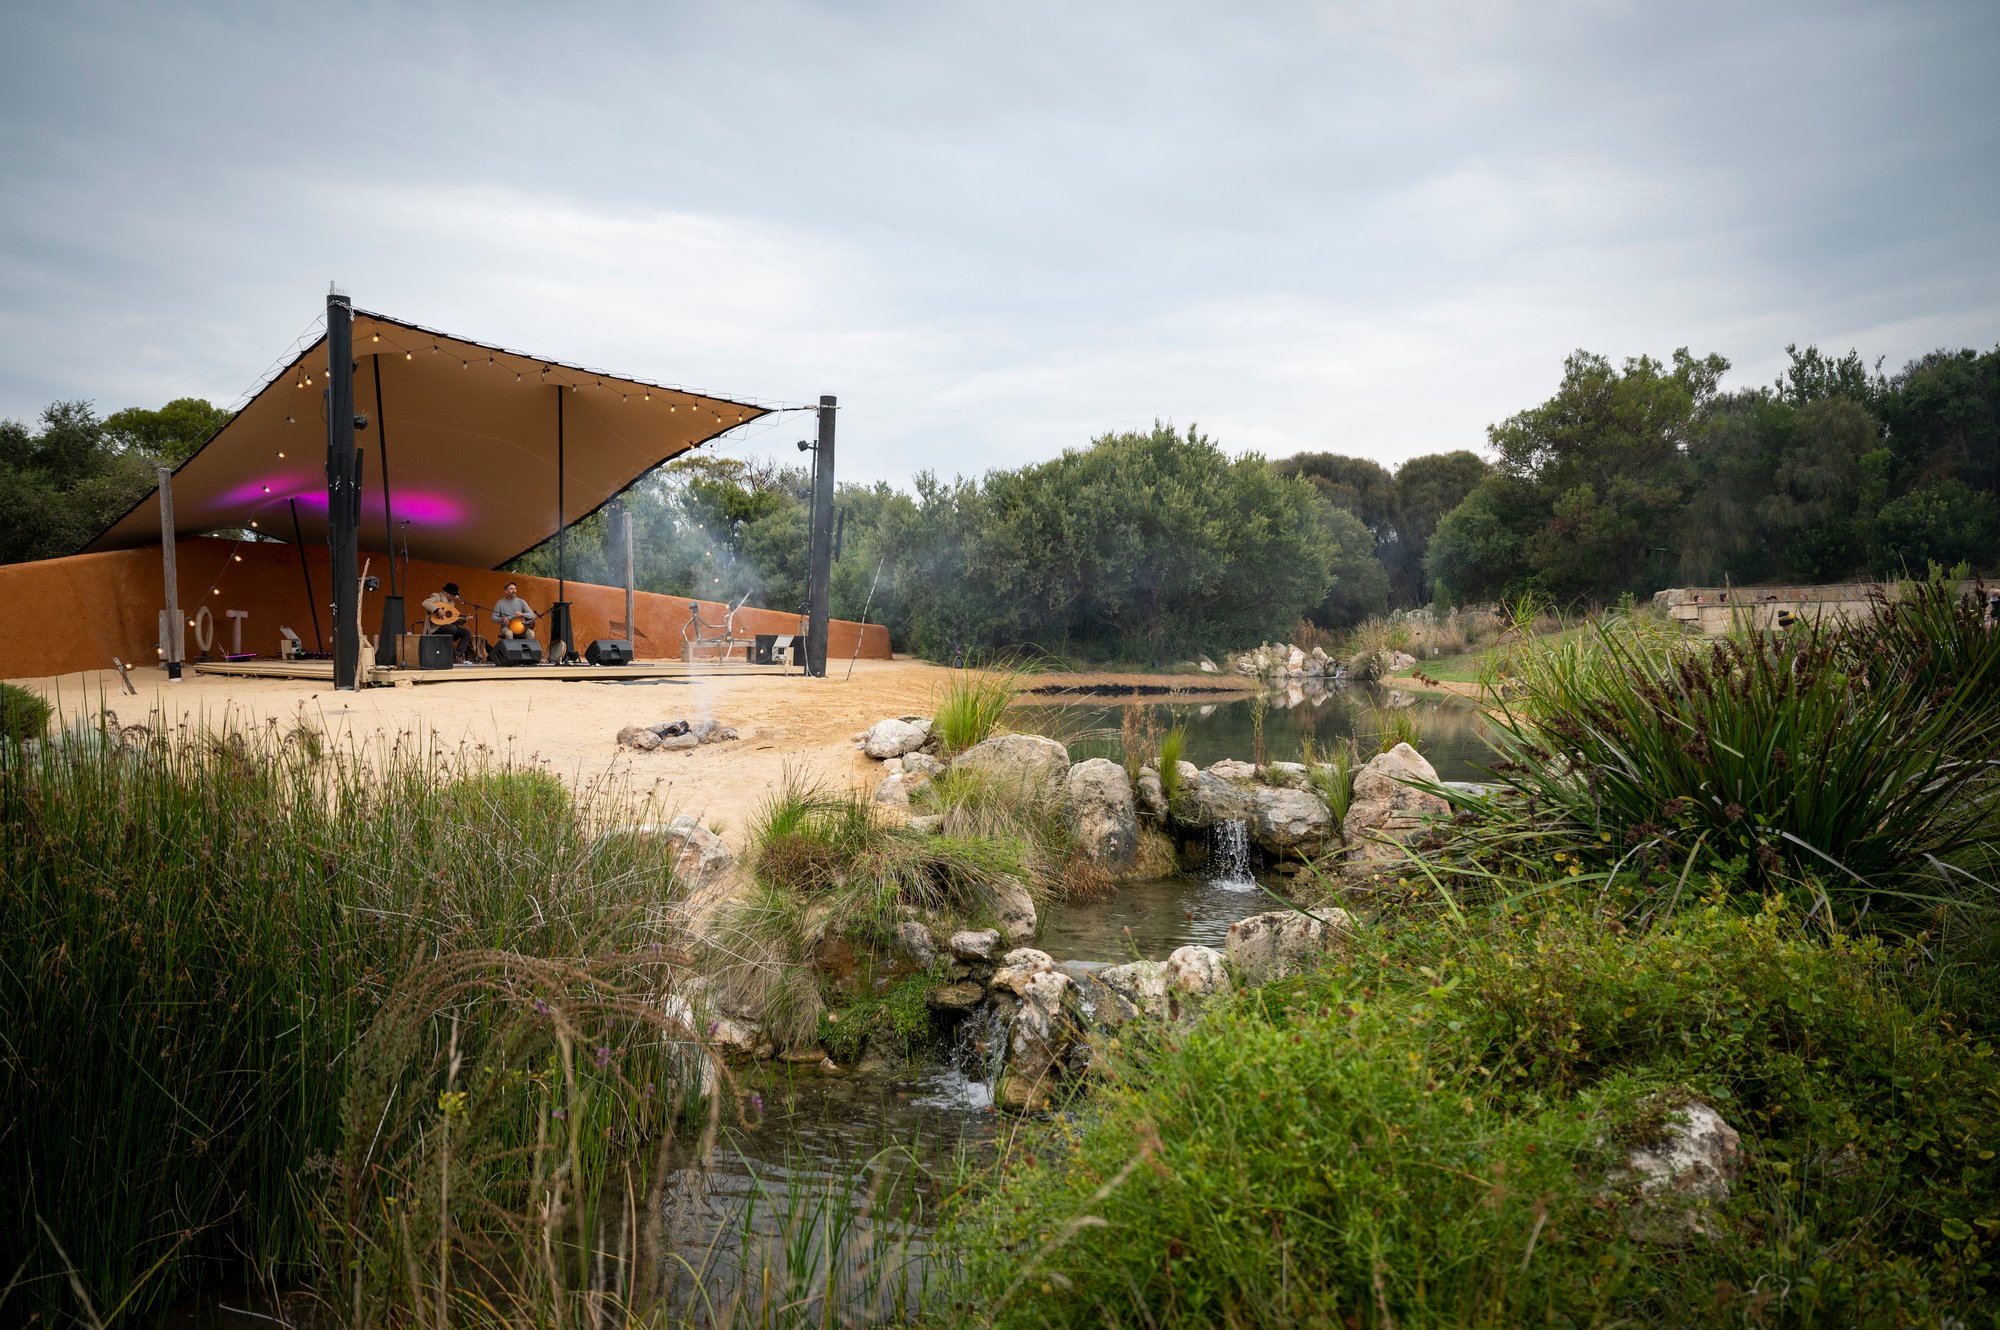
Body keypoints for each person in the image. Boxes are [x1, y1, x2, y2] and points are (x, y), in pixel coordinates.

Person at [422, 582, 473, 659]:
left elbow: (451, 619)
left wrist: (464, 619)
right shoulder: (437, 597)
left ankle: (457, 654)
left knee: (466, 633)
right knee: (452, 628)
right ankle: (450, 654)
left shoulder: (451, 603)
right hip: (436, 627)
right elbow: (425, 603)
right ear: (447, 594)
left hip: (448, 627)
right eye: (453, 596)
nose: (454, 598)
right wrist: (437, 610)